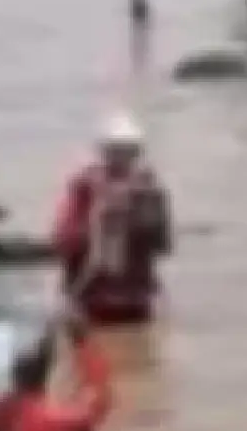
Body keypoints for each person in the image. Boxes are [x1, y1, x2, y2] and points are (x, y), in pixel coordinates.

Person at [51, 111, 173, 325]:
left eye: (128, 152)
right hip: (92, 296)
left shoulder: (148, 187)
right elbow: (65, 238)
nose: (123, 158)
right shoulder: (85, 185)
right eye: (118, 151)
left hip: (135, 296)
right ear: (105, 152)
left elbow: (162, 243)